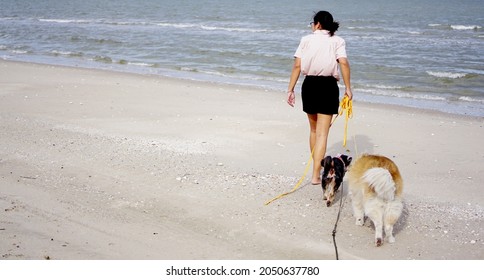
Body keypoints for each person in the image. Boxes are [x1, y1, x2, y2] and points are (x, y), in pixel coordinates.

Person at [287, 10, 352, 185]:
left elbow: (297, 66)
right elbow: (343, 62)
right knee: (323, 133)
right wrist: (348, 88)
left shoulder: (306, 40)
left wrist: (290, 89)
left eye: (312, 24)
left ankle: (316, 174)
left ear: (317, 24)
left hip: (309, 85)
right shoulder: (337, 40)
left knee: (314, 130)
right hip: (328, 86)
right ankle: (316, 174)